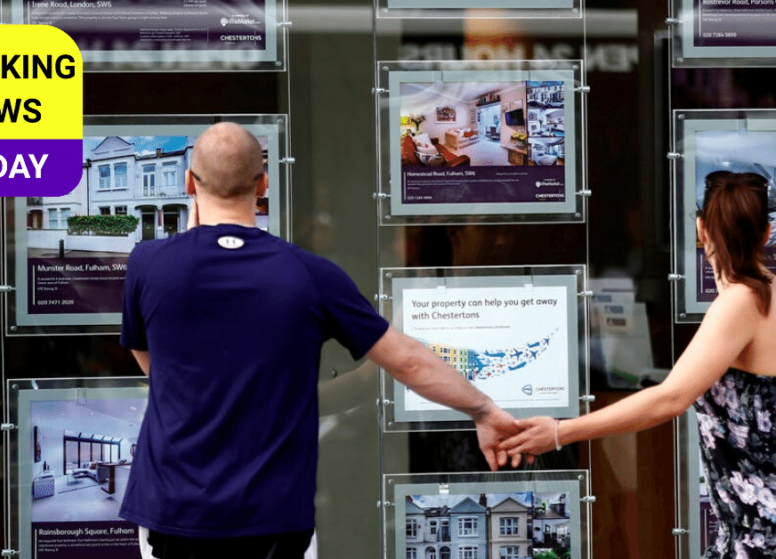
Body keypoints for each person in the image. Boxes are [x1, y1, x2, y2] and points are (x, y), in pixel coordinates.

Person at [117, 122, 520, 559]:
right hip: (272, 519)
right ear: (264, 182)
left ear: (188, 183)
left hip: (173, 512)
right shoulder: (311, 275)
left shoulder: (148, 264)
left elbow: (157, 368)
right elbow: (409, 361)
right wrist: (483, 409)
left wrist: (189, 241)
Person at [500, 171, 776, 558]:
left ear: (701, 229)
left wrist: (561, 432)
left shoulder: (742, 303)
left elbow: (670, 398)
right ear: (768, 233)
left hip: (771, 526)